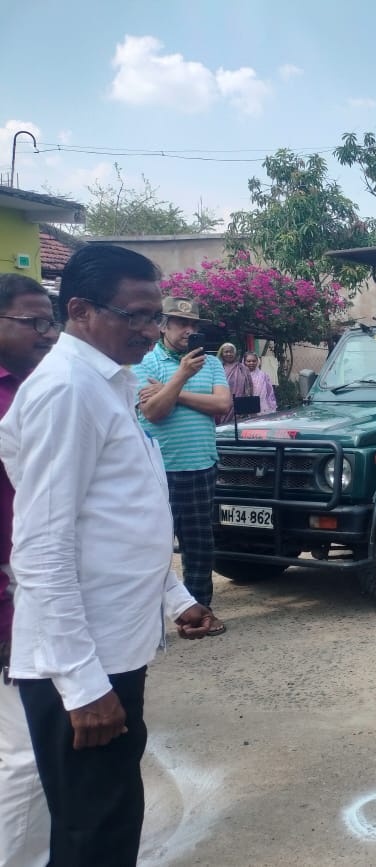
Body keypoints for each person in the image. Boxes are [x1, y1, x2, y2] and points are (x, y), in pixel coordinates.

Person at [0, 244, 214, 866]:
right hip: (82, 664)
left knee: (112, 820)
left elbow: (122, 516)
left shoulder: (108, 383)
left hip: (112, 647)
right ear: (80, 310)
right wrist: (84, 685)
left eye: (157, 317)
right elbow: (40, 545)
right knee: (93, 836)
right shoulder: (68, 389)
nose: (152, 332)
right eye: (138, 317)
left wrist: (175, 597)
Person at [0, 274, 59, 867]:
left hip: (30, 594)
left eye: (50, 321)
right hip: (13, 600)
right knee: (26, 756)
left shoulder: (46, 385)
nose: (47, 333)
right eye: (32, 322)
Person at [134, 297, 231, 634]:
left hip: (200, 465)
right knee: (154, 544)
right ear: (163, 325)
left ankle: (200, 613)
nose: (189, 330)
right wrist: (181, 377)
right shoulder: (145, 363)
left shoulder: (213, 364)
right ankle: (150, 620)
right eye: (180, 323)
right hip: (157, 470)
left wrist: (172, 391)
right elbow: (153, 412)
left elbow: (221, 404)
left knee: (199, 544)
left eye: (193, 324)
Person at [216, 341, 252, 424]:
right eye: (226, 352)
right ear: (221, 353)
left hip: (240, 406)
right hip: (223, 404)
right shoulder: (218, 368)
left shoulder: (242, 368)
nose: (229, 354)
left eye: (231, 352)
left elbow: (249, 387)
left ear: (235, 353)